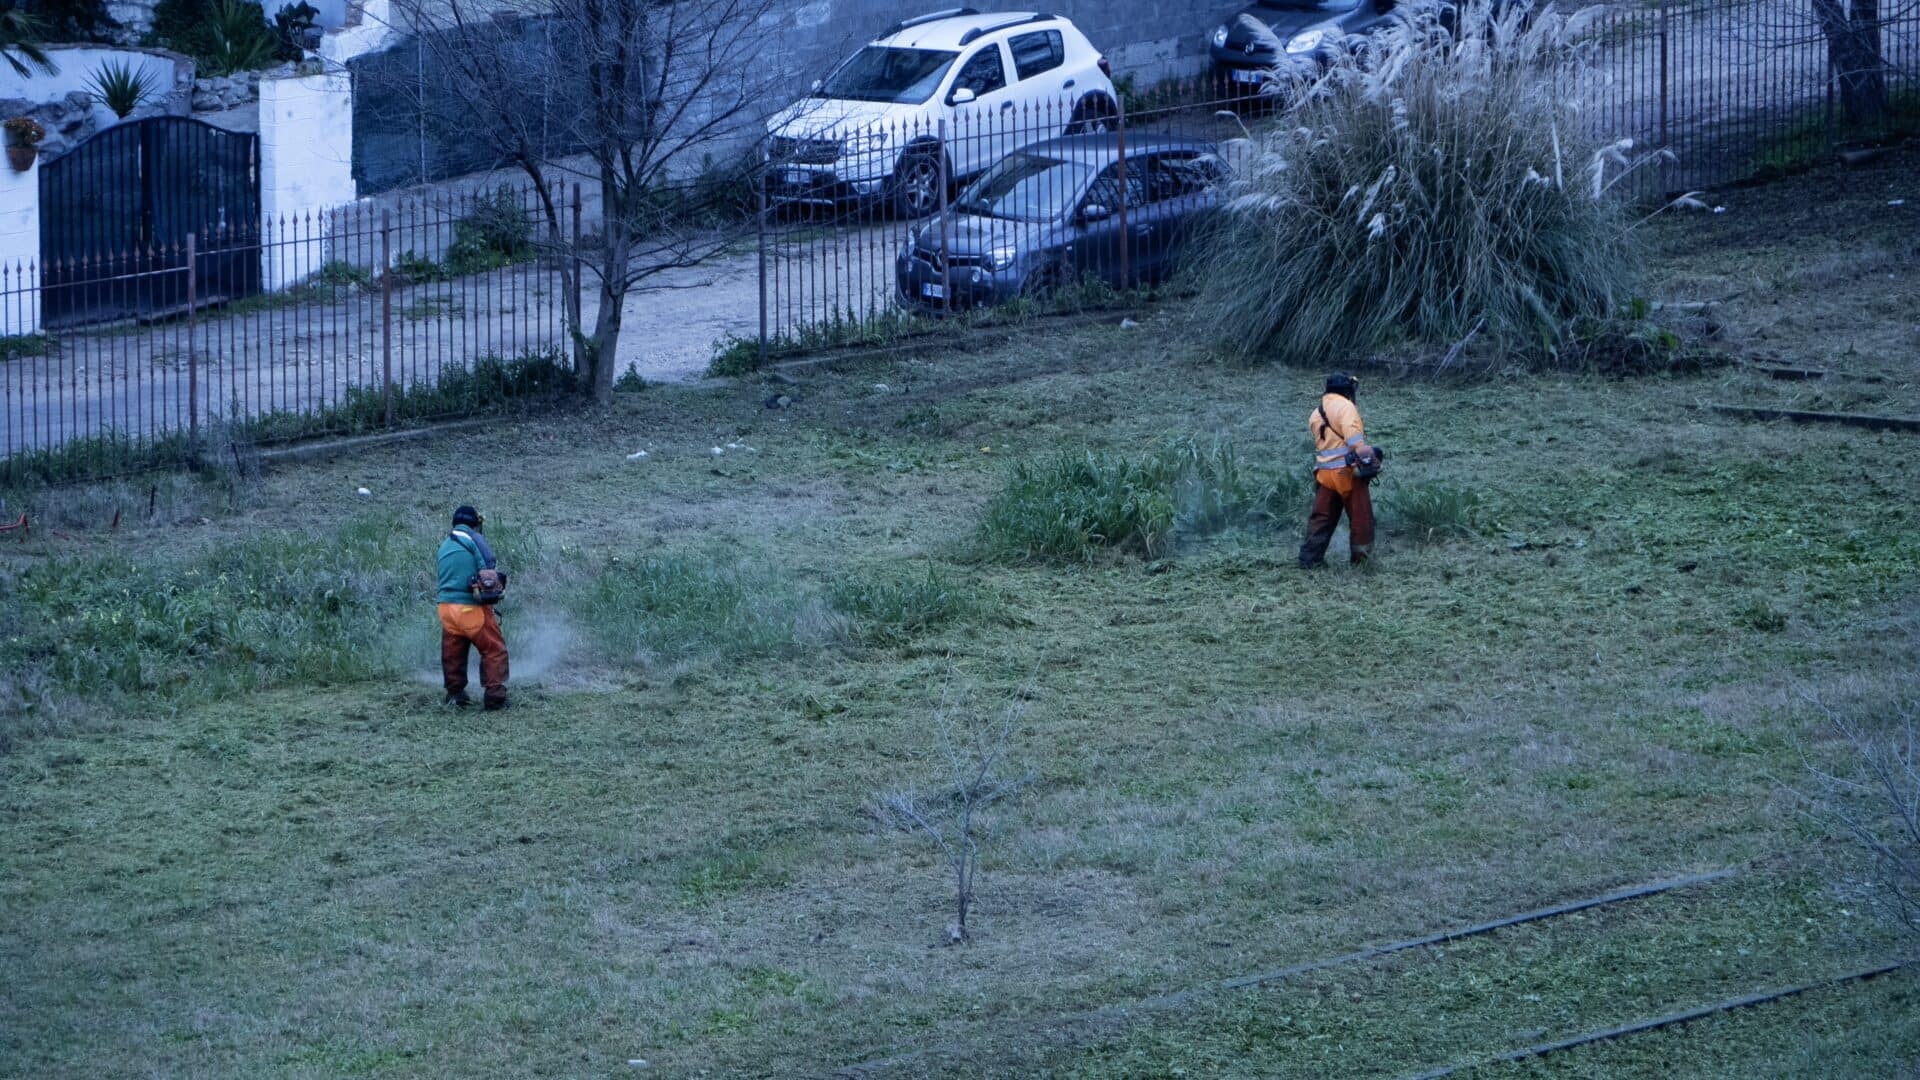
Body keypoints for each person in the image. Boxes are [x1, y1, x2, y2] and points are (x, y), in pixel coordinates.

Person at [1299, 373, 1380, 568]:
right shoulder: (1346, 407)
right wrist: (1373, 456)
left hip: (1325, 474)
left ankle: (1310, 559)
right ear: (1347, 390)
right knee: (1361, 519)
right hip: (1348, 474)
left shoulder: (1316, 413)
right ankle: (1362, 562)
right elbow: (1355, 445)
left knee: (1322, 518)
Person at [436, 505, 510, 709]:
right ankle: (495, 696)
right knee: (494, 649)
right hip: (470, 608)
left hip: (446, 610)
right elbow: (489, 569)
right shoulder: (473, 538)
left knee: (453, 653)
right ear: (474, 523)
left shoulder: (445, 544)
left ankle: (455, 694)